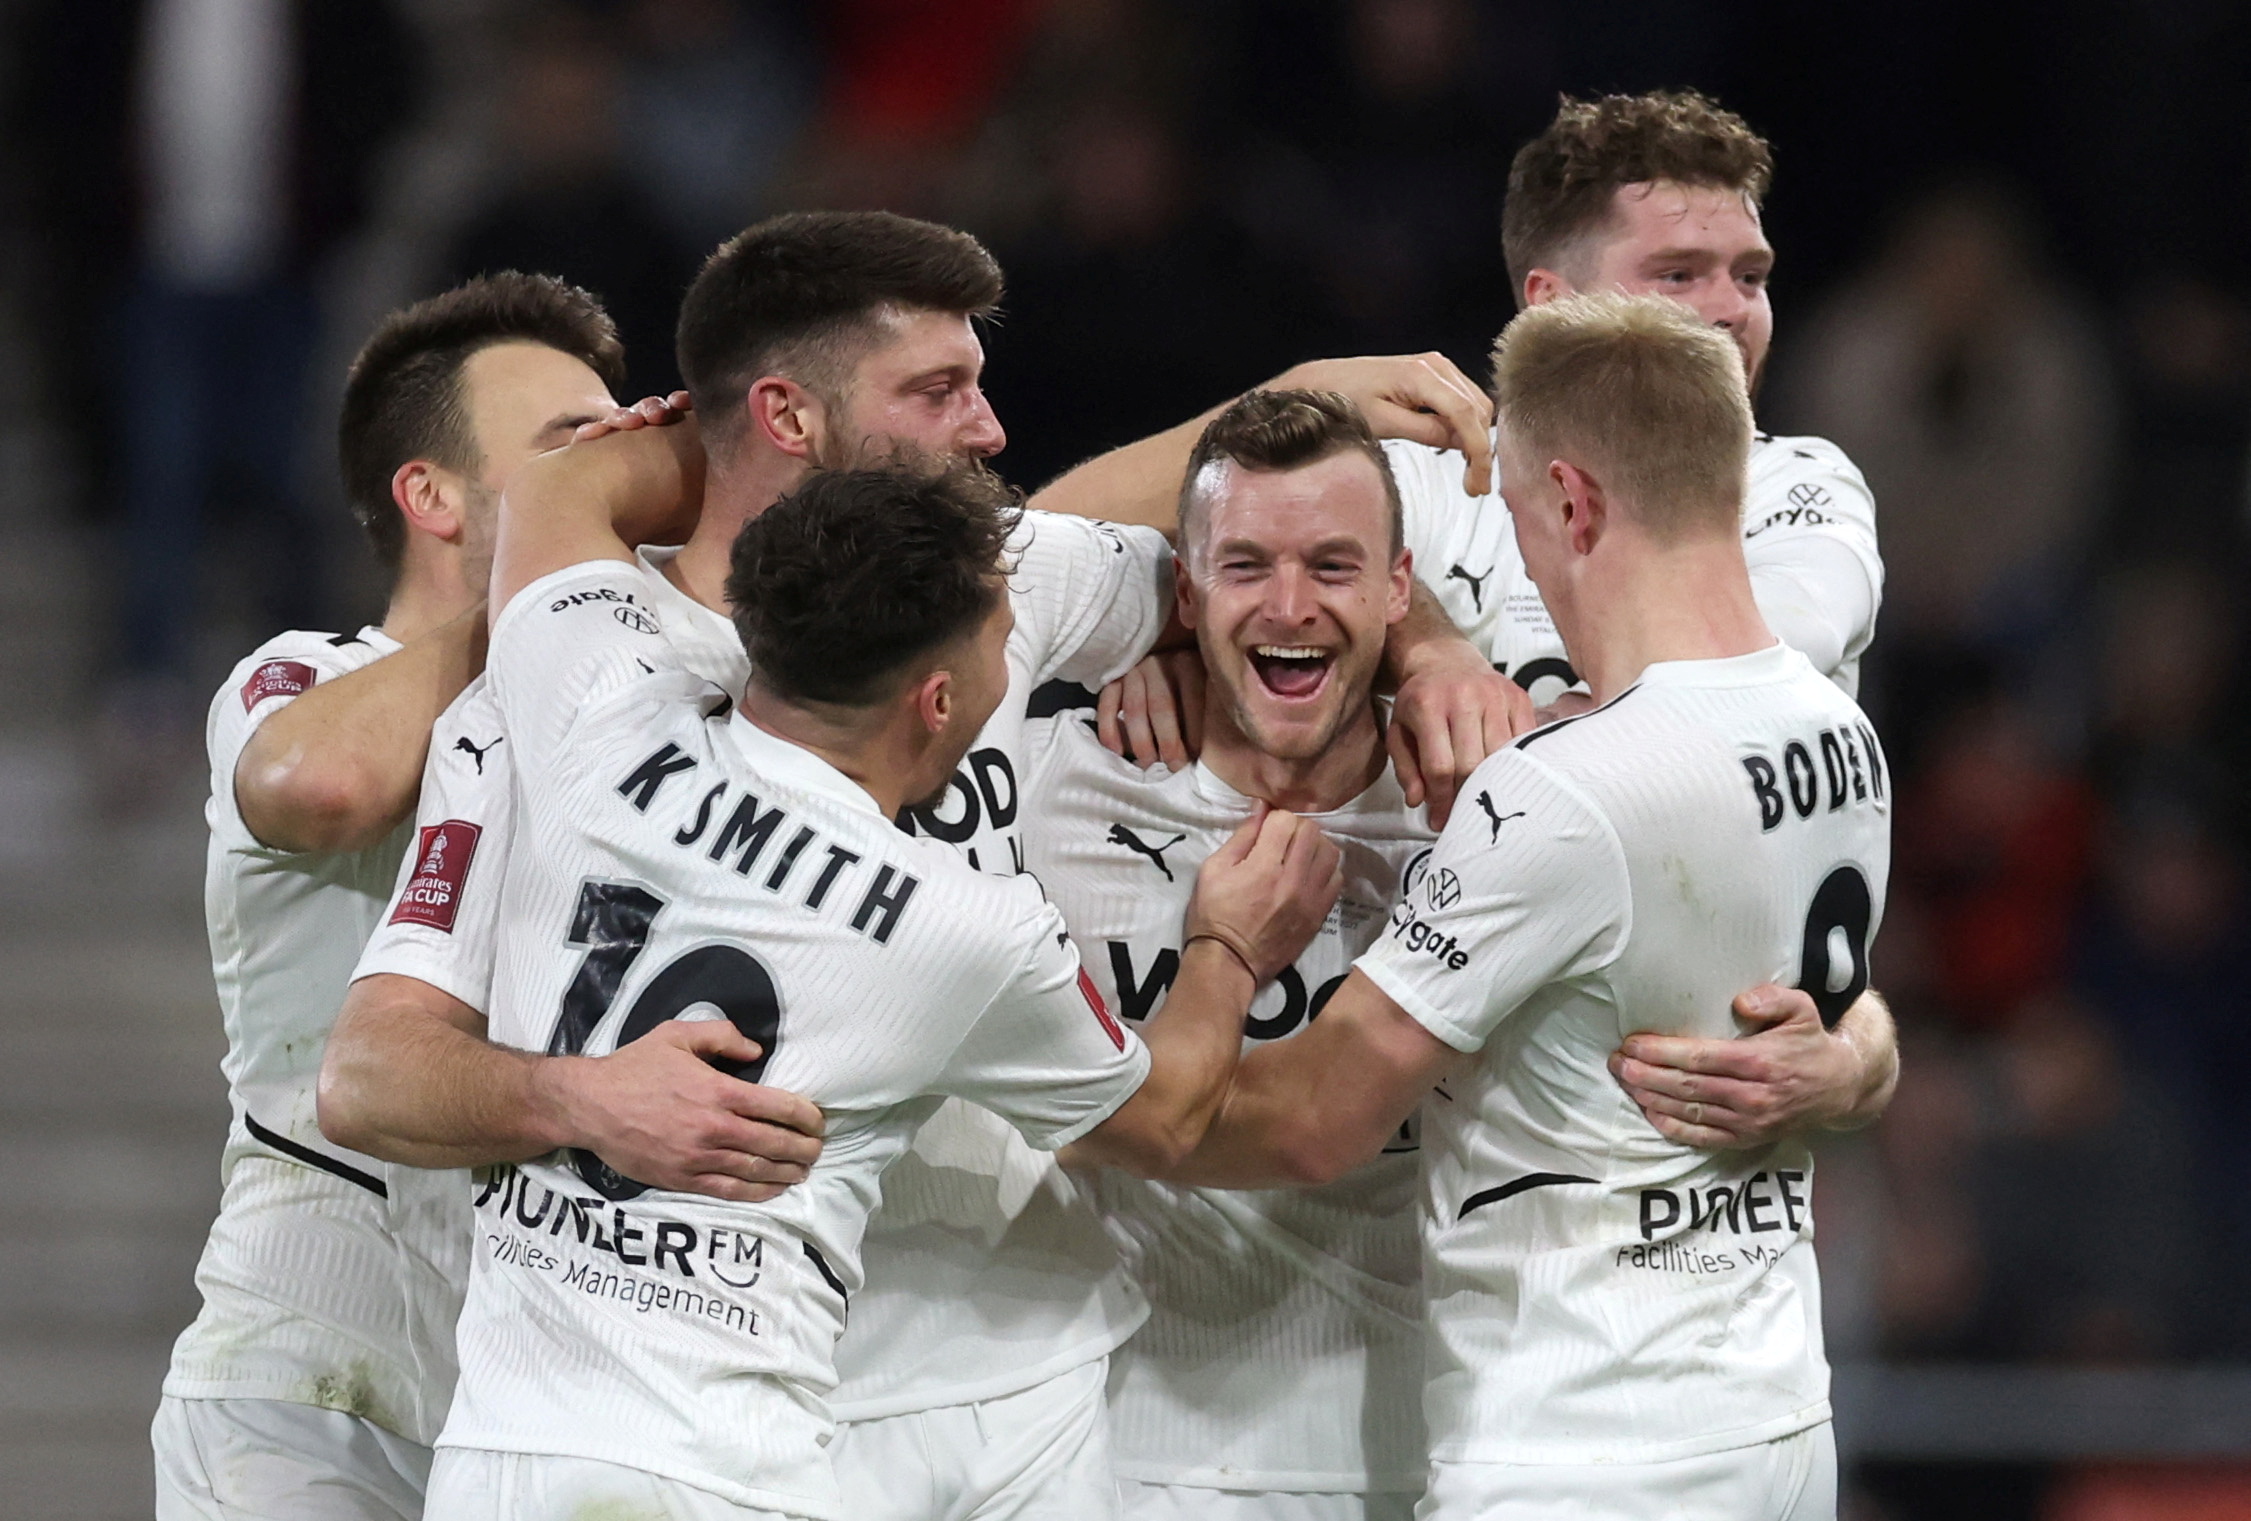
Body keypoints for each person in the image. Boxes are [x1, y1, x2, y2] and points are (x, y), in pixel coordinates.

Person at [323, 208, 1506, 1518]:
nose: (987, 429)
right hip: (776, 1404)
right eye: (936, 391)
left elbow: (1250, 578)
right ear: (785, 412)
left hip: (1026, 1374)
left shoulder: (589, 667)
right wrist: (578, 1100)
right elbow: (370, 1068)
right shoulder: (567, 704)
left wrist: (1427, 648)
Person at [422, 439, 1341, 1518]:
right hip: (723, 1470)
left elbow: (555, 485)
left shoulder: (595, 698)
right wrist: (1228, 945)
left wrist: (696, 426)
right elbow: (1171, 1114)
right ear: (937, 700)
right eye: (1004, 640)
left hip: (494, 1453)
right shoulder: (962, 930)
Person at [1026, 387, 1894, 1520]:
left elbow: (1781, 962)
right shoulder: (1057, 778)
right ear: (1182, 595)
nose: (1289, 605)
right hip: (1138, 1454)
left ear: (1400, 589)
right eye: (1243, 569)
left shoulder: (1515, 793)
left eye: (1333, 567)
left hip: (1445, 1443)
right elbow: (990, 567)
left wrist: (1854, 1055)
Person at [1092, 88, 1895, 1147]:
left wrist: (1854, 1060)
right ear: (1550, 305)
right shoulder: (1433, 481)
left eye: (1749, 276)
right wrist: (1175, 633)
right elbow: (1044, 557)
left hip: (1568, 1174)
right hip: (1388, 1143)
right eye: (1677, 275)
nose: (1727, 310)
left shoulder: (1798, 493)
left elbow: (1725, 733)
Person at [154, 273, 628, 1521]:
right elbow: (318, 785)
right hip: (304, 1379)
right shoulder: (303, 677)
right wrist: (542, 595)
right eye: (571, 446)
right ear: (432, 495)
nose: (617, 472)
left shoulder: (631, 717)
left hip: (540, 1389)